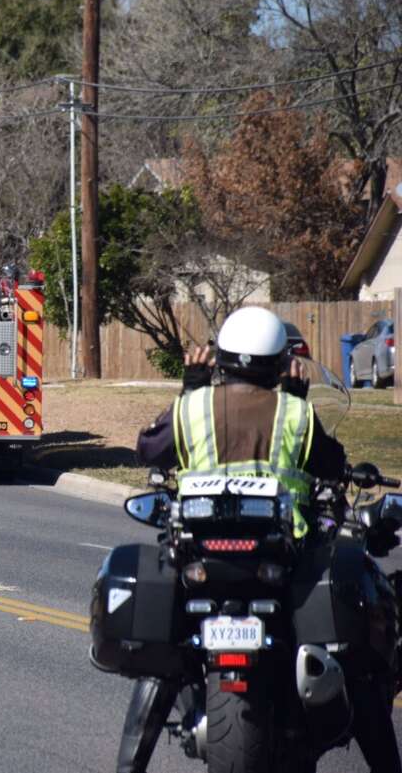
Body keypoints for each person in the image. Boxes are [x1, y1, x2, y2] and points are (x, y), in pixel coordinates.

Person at [113, 306, 398, 773]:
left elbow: (149, 449)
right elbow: (331, 464)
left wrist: (190, 389)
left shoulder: (193, 406)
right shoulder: (295, 413)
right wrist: (295, 396)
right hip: (280, 557)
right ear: (280, 362)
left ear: (220, 359)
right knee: (358, 658)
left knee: (164, 665)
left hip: (199, 553)